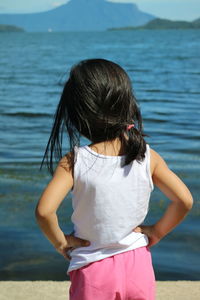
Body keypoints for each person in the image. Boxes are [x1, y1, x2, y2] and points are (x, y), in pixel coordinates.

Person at [35, 58, 193, 300]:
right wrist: (157, 232)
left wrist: (61, 242)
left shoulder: (74, 161)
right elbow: (184, 201)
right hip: (138, 265)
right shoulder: (148, 156)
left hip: (93, 268)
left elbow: (45, 212)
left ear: (77, 114)